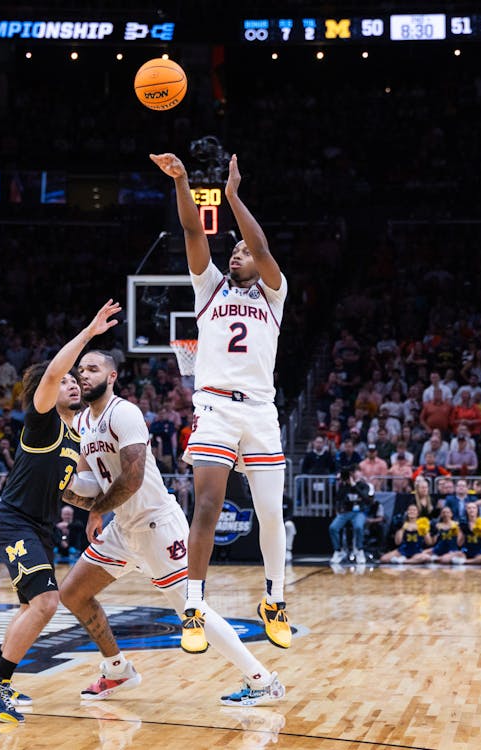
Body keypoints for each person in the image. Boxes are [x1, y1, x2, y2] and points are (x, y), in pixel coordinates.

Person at [59, 351, 285, 706]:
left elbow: (132, 479)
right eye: (81, 370)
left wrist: (95, 507)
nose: (84, 374)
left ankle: (262, 680)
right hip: (123, 527)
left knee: (192, 610)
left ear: (112, 376)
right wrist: (65, 486)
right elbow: (92, 481)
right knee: (73, 592)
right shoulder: (83, 421)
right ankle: (118, 669)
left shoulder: (124, 413)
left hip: (157, 526)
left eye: (93, 369)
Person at [152, 152, 291, 652]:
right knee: (207, 506)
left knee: (270, 513)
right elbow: (193, 232)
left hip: (260, 411)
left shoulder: (274, 295)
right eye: (232, 250)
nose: (237, 254)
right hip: (214, 407)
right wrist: (182, 181)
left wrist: (232, 195)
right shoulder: (209, 289)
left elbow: (262, 245)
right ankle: (194, 606)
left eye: (243, 252)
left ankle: (274, 600)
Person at [0, 301, 119, 724]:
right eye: (66, 381)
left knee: (29, 607)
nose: (73, 384)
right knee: (47, 602)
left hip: (40, 528)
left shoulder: (75, 437)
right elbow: (53, 373)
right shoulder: (43, 424)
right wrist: (89, 333)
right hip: (14, 521)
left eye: (76, 381)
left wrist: (96, 512)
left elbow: (73, 489)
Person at [328, 465, 373, 565]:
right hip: (346, 512)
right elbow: (338, 498)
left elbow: (366, 499)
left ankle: (359, 550)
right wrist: (343, 483)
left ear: (360, 473)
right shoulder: (344, 485)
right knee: (333, 528)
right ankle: (338, 551)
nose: (354, 474)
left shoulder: (364, 485)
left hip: (359, 512)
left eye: (356, 472)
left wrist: (354, 485)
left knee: (358, 527)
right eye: (352, 472)